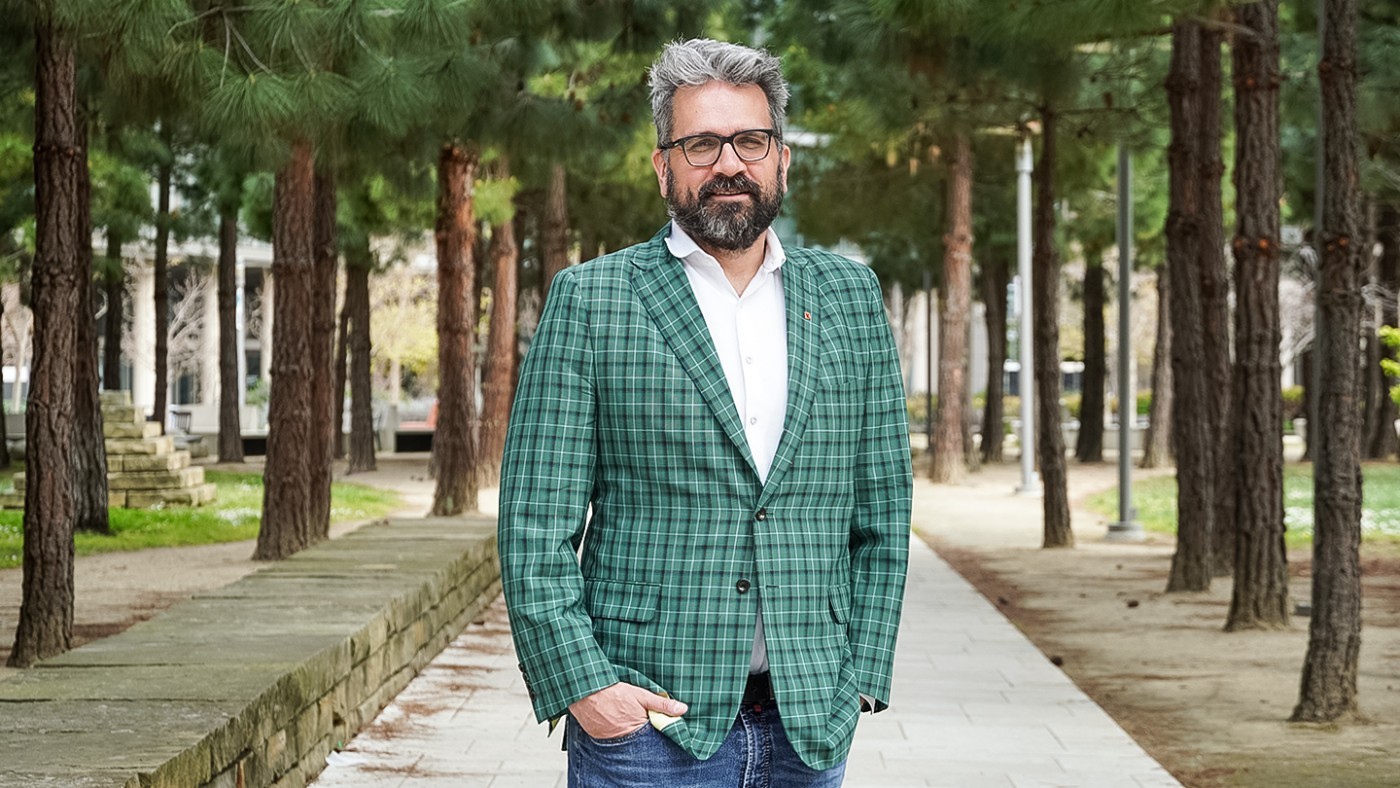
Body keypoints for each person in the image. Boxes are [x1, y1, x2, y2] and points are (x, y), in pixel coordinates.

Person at [499, 37, 912, 787]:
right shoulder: (592, 300)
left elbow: (883, 509)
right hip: (649, 731)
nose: (729, 163)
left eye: (751, 141)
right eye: (701, 144)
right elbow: (534, 526)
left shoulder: (850, 297)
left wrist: (860, 677)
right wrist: (586, 689)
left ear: (781, 158)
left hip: (809, 726)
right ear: (663, 166)